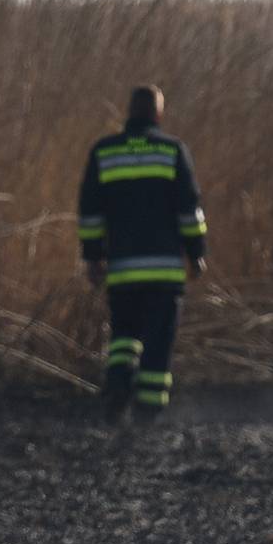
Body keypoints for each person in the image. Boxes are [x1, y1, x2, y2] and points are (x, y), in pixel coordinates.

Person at [76, 84, 207, 419]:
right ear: (158, 114)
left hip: (122, 270)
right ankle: (148, 409)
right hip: (164, 270)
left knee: (124, 334)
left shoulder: (104, 152)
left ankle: (117, 384)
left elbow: (89, 212)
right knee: (158, 340)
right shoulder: (173, 151)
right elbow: (189, 212)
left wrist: (92, 258)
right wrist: (196, 253)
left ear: (128, 111)